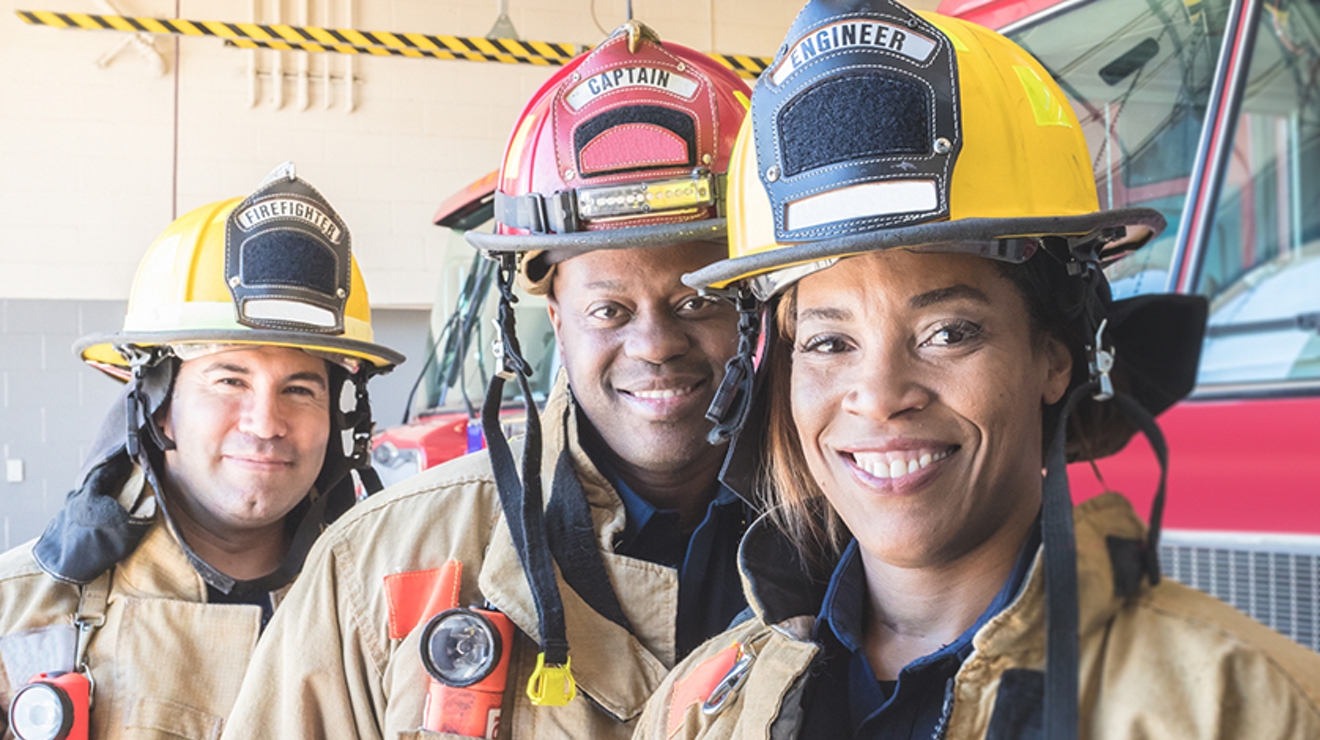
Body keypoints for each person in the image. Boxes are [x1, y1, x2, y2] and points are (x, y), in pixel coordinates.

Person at [636, 2, 1320, 739]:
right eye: (830, 344)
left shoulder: (1247, 710)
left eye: (948, 332)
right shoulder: (699, 710)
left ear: (1055, 356)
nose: (881, 396)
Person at [220, 22, 752, 740]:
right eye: (609, 309)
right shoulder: (370, 568)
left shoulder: (864, 540)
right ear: (554, 318)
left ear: (761, 304)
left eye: (698, 301)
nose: (655, 345)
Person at [0, 163, 403, 739]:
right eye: (228, 380)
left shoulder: (398, 614)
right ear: (159, 406)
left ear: (340, 416)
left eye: (300, 389)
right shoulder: (17, 613)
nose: (266, 424)